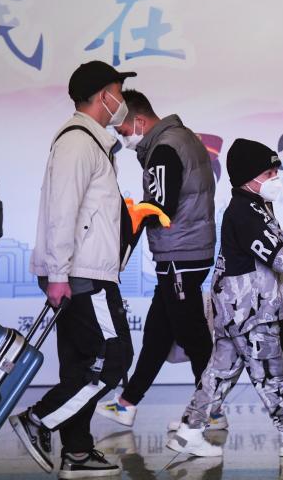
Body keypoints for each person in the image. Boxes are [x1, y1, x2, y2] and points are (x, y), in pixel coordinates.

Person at [167, 139, 283, 458]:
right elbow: (276, 256)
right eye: (268, 174)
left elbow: (274, 240)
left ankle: (188, 433)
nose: (274, 179)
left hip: (235, 310)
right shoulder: (243, 212)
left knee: (219, 374)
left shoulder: (257, 206)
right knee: (270, 373)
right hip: (250, 311)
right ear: (247, 178)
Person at [9, 61, 137, 478]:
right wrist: (59, 274)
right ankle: (38, 419)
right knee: (113, 357)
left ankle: (77, 451)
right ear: (104, 96)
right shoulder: (78, 142)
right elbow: (63, 211)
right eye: (119, 92)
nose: (122, 101)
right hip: (83, 273)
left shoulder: (91, 142)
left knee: (81, 361)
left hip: (84, 269)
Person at [95, 89, 224, 431]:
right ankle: (127, 403)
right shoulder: (182, 137)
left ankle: (210, 411)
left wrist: (130, 215)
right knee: (158, 332)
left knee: (193, 335)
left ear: (139, 120)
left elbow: (161, 207)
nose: (123, 137)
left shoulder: (164, 148)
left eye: (123, 130)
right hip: (186, 250)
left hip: (180, 252)